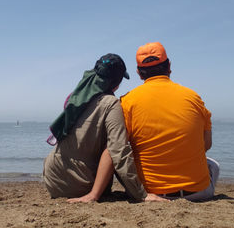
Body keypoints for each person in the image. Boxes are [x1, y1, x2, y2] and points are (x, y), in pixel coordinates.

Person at [43, 53, 165, 203]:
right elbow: (118, 151)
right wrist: (142, 194)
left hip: (52, 178)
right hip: (78, 184)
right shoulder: (110, 103)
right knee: (114, 144)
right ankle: (94, 194)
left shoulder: (76, 97)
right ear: (116, 82)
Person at [120, 42, 220, 201]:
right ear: (169, 66)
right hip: (198, 193)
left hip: (152, 193)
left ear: (139, 73)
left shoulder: (127, 101)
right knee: (213, 165)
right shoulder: (193, 97)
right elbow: (206, 145)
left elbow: (119, 148)